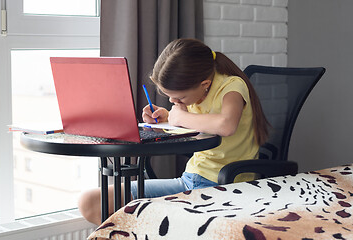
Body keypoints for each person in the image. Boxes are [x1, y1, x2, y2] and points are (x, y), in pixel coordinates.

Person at [78, 38, 270, 225]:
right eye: (170, 97)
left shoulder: (232, 86)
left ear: (205, 84)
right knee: (91, 202)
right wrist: (168, 117)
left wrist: (180, 117)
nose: (173, 102)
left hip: (222, 186)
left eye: (180, 97)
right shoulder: (197, 93)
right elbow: (202, 121)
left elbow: (227, 125)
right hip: (189, 181)